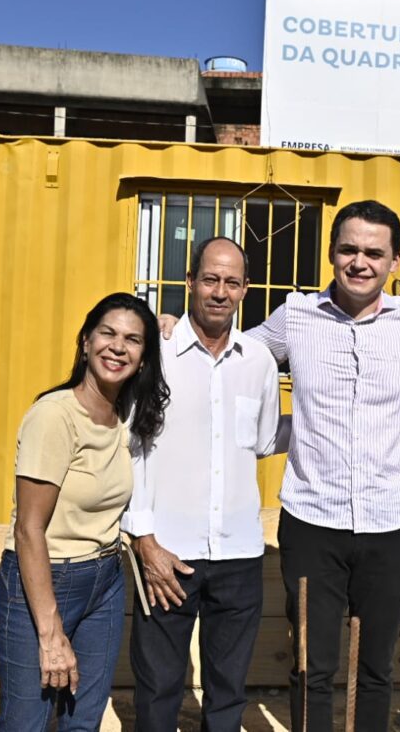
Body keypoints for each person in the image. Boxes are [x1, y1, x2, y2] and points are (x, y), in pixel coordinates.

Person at [250, 200, 400, 731]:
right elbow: (234, 358)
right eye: (349, 249)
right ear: (331, 253)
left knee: (376, 666)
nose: (360, 262)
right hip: (312, 521)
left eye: (374, 253)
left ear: (395, 261)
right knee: (312, 663)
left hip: (389, 522)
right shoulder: (296, 316)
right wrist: (173, 330)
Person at [123, 237, 283, 730]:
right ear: (189, 282)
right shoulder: (156, 353)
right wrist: (144, 541)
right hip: (168, 553)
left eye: (231, 282)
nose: (220, 292)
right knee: (158, 689)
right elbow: (130, 450)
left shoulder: (258, 362)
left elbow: (259, 443)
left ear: (245, 290)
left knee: (228, 693)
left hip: (238, 553)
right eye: (210, 279)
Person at [0, 292, 169, 730]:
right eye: (107, 333)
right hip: (43, 580)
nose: (117, 346)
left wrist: (170, 325)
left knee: (82, 721)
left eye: (132, 339)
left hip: (106, 581)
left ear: (143, 358)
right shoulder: (54, 417)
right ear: (86, 341)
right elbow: (29, 530)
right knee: (25, 723)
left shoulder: (125, 416)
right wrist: (50, 632)